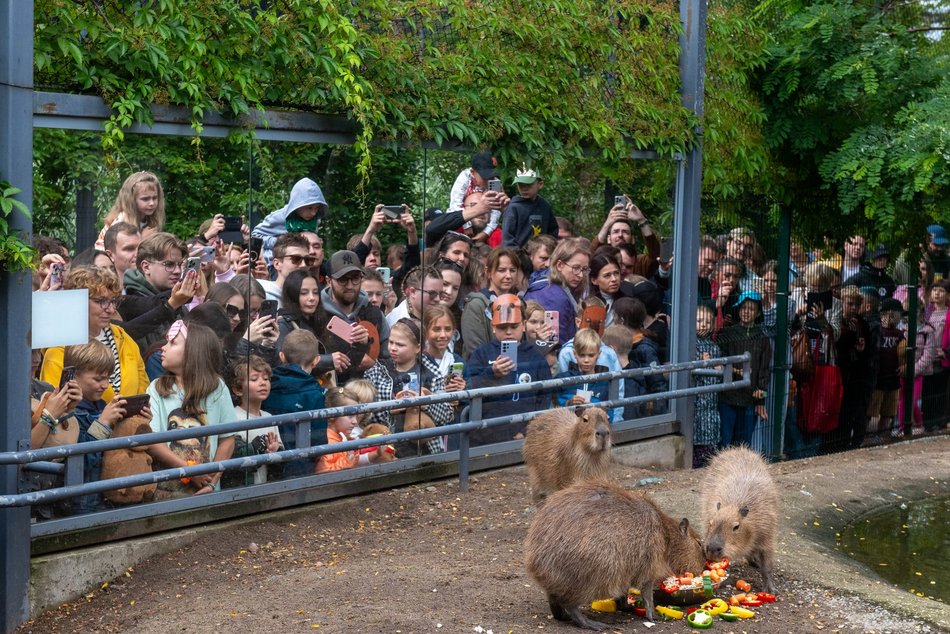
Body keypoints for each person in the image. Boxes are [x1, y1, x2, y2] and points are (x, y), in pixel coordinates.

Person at [145, 321, 238, 498]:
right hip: (167, 495)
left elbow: (228, 439)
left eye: (172, 343)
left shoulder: (218, 388)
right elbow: (152, 442)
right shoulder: (156, 388)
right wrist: (189, 470)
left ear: (192, 352)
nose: (162, 348)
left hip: (208, 493)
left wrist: (212, 482)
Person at [65, 340, 151, 513]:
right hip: (84, 505)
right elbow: (80, 463)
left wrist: (136, 423)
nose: (105, 385)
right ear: (73, 376)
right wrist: (103, 423)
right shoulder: (67, 411)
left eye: (108, 378)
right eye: (98, 379)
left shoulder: (103, 406)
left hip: (111, 498)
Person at [41, 266, 149, 404]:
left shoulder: (123, 337)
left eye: (113, 301)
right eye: (101, 301)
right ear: (77, 301)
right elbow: (56, 405)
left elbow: (143, 391)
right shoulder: (58, 347)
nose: (111, 309)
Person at [465, 294, 552, 446]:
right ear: (493, 327)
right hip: (485, 437)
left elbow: (545, 397)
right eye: (502, 327)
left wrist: (528, 430)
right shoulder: (482, 353)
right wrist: (492, 373)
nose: (509, 332)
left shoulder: (535, 355)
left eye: (514, 326)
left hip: (524, 437)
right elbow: (469, 387)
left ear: (523, 325)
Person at [364, 319, 453, 457]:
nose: (393, 348)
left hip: (426, 451)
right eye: (391, 342)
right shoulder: (376, 371)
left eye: (400, 344)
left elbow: (447, 414)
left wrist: (427, 404)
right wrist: (390, 409)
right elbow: (364, 416)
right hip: (387, 451)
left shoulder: (432, 373)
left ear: (417, 348)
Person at [262, 329, 328, 477]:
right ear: (316, 360)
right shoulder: (315, 394)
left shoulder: (267, 384)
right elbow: (319, 440)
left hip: (268, 462)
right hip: (300, 466)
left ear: (282, 356)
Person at [120, 232, 199, 350]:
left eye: (180, 264)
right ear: (146, 267)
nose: (177, 271)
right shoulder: (128, 302)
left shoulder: (178, 297)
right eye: (169, 264)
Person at [320, 250, 390, 383]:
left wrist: (374, 363)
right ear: (329, 281)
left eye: (355, 278)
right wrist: (328, 361)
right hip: (328, 394)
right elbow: (302, 360)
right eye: (343, 280)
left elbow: (391, 358)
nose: (350, 285)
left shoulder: (375, 314)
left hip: (370, 391)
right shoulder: (316, 314)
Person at [716, 290, 771, 448]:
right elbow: (722, 359)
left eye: (752, 309)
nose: (747, 312)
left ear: (758, 312)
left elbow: (764, 368)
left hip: (750, 397)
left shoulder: (763, 337)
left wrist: (761, 396)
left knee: (743, 444)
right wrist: (737, 371)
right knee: (724, 440)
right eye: (743, 307)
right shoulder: (728, 333)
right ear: (738, 309)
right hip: (727, 395)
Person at [225, 355, 283, 486]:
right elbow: (233, 460)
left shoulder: (269, 418)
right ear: (238, 389)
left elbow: (280, 460)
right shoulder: (233, 417)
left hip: (266, 488)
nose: (263, 382)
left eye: (266, 378)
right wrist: (257, 447)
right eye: (254, 379)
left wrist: (276, 450)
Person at [524, 238, 591, 344]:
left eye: (584, 269)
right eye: (576, 268)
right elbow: (557, 345)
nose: (581, 275)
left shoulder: (550, 286)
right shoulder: (554, 297)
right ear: (560, 265)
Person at [251, 177, 328, 265]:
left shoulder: (315, 221)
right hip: (275, 265)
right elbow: (255, 236)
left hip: (303, 262)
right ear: (298, 203)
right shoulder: (279, 217)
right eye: (309, 207)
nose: (313, 213)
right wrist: (280, 243)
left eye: (317, 208)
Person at [460, 248, 521, 357]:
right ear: (488, 272)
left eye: (512, 270)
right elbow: (476, 350)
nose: (508, 276)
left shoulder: (519, 303)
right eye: (501, 270)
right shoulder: (476, 305)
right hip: (485, 370)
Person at [316, 386, 390, 473]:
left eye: (356, 416)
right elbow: (322, 471)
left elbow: (353, 461)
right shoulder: (328, 441)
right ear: (332, 415)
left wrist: (376, 453)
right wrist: (347, 461)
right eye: (350, 416)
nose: (355, 421)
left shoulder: (340, 436)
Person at [96, 171, 165, 249]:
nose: (152, 203)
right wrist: (142, 239)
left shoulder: (147, 219)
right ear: (131, 200)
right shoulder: (121, 222)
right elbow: (119, 252)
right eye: (145, 199)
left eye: (155, 198)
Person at [869, 298, 905, 441]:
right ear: (891, 313)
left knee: (888, 411)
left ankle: (882, 435)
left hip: (893, 378)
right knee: (871, 410)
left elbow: (904, 355)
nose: (900, 317)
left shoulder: (899, 334)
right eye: (899, 314)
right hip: (877, 378)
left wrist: (904, 365)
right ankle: (868, 435)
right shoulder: (876, 329)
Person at [690, 305, 721, 467]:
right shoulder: (690, 345)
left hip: (711, 401)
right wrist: (702, 364)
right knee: (696, 435)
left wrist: (717, 369)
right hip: (696, 400)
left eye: (708, 322)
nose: (703, 325)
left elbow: (719, 370)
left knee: (709, 438)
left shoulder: (713, 346)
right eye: (699, 321)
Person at [501, 165, 557, 247]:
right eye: (521, 185)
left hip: (542, 255)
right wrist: (518, 256)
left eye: (528, 184)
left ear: (540, 184)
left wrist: (549, 248)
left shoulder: (545, 206)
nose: (524, 189)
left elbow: (553, 230)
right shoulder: (513, 207)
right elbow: (507, 238)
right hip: (519, 256)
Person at [554, 328, 611, 410]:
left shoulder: (605, 381)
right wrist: (568, 403)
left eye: (591, 355)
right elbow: (554, 407)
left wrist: (596, 409)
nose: (586, 360)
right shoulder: (563, 380)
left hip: (594, 422)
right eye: (582, 355)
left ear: (599, 354)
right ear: (574, 354)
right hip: (570, 422)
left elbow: (611, 412)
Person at [257, 232, 314, 306]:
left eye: (307, 260)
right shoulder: (261, 295)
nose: (303, 265)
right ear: (277, 264)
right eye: (296, 259)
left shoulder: (312, 299)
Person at [102, 222, 142, 292]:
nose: (138, 253)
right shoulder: (101, 293)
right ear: (110, 255)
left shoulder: (157, 286)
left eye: (141, 248)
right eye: (129, 249)